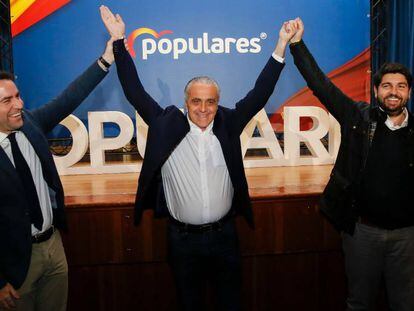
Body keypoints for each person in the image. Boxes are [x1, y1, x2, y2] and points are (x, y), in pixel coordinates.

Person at [100, 5, 295, 310]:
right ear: (186, 102)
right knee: (188, 304)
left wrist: (281, 46)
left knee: (230, 304)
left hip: (225, 237)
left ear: (218, 103)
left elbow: (260, 93)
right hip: (182, 242)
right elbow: (134, 90)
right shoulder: (166, 124)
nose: (203, 109)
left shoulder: (229, 123)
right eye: (196, 101)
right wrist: (118, 42)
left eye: (210, 102)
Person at [288, 18, 414, 311]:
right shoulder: (358, 118)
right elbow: (320, 84)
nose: (393, 91)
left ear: (408, 92)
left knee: (405, 304)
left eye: (401, 86)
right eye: (387, 86)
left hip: (407, 237)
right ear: (375, 90)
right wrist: (296, 44)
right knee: (359, 303)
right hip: (362, 233)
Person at [0, 37, 115, 310]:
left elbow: (70, 97)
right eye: (7, 100)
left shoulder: (30, 124)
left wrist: (106, 58)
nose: (19, 104)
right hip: (14, 267)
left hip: (53, 249)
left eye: (18, 96)